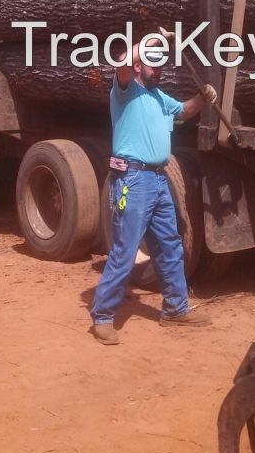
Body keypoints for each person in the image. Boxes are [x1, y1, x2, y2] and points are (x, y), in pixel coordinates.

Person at [91, 39, 217, 345]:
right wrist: (149, 41)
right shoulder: (125, 92)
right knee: (125, 250)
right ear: (138, 66)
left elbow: (184, 112)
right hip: (133, 181)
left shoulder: (158, 97)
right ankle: (103, 316)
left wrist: (202, 98)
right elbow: (119, 61)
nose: (158, 70)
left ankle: (175, 309)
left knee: (169, 244)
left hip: (159, 181)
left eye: (161, 65)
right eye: (153, 64)